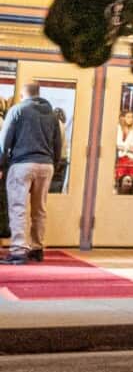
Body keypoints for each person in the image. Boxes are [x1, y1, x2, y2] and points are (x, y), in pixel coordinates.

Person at [1, 83, 65, 265]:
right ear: (39, 94)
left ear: (22, 95)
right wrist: (55, 163)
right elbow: (57, 143)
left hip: (22, 164)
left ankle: (18, 251)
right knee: (40, 209)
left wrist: (1, 163)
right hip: (46, 165)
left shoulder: (17, 110)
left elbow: (4, 140)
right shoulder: (52, 115)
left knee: (18, 208)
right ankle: (37, 249)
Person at [114, 109, 133, 195]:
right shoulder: (118, 128)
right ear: (123, 118)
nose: (131, 119)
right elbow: (117, 145)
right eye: (128, 117)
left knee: (131, 182)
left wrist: (127, 149)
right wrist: (128, 149)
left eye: (132, 117)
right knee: (120, 182)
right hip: (121, 158)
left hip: (131, 159)